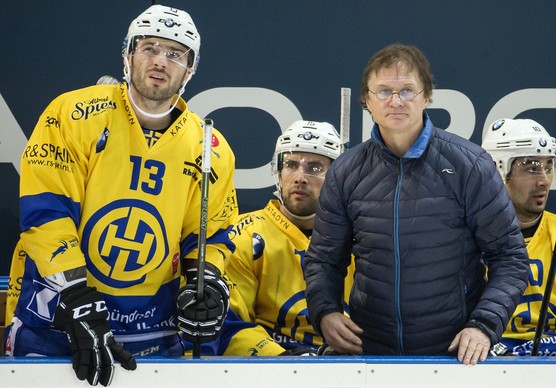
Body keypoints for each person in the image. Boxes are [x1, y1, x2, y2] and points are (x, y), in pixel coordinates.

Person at [6, 4, 237, 386]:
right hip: (59, 321)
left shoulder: (211, 146)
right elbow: (47, 213)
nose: (160, 61)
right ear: (127, 55)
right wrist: (76, 299)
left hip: (153, 332)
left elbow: (210, 235)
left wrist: (208, 281)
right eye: (148, 47)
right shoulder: (73, 114)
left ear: (190, 69)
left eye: (175, 54)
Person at [304, 43, 529, 365]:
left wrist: (483, 327)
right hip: (369, 354)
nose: (395, 101)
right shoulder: (346, 170)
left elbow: (510, 258)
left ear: (427, 97)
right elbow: (324, 260)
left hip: (455, 354)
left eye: (407, 90)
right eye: (383, 91)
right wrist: (325, 312)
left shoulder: (470, 164)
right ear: (366, 100)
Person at [215, 120, 354, 356]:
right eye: (291, 164)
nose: (300, 177)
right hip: (270, 369)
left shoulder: (362, 238)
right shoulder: (242, 235)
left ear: (338, 178)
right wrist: (282, 360)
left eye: (315, 167)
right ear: (278, 172)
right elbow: (230, 324)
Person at [482, 118, 556, 356]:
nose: (544, 181)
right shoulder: (465, 240)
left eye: (548, 166)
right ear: (497, 170)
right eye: (531, 167)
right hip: (488, 361)